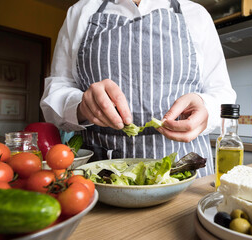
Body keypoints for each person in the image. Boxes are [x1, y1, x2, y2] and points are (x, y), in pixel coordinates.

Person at [40, 0, 236, 178]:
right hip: (100, 173)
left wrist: (206, 108)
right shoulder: (81, 12)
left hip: (184, 170)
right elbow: (55, 93)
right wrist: (82, 106)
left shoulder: (196, 15)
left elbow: (223, 96)